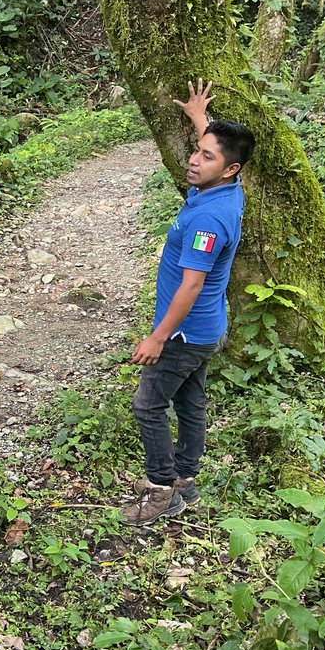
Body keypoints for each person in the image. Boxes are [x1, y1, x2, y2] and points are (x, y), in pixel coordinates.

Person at [121, 79, 256, 527]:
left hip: (184, 330)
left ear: (230, 169)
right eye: (198, 150)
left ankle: (161, 491)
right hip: (207, 328)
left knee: (148, 405)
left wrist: (158, 337)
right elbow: (216, 150)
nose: (194, 161)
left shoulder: (209, 218)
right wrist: (202, 120)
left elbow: (191, 285)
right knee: (191, 403)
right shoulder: (225, 189)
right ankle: (186, 481)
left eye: (207, 156)